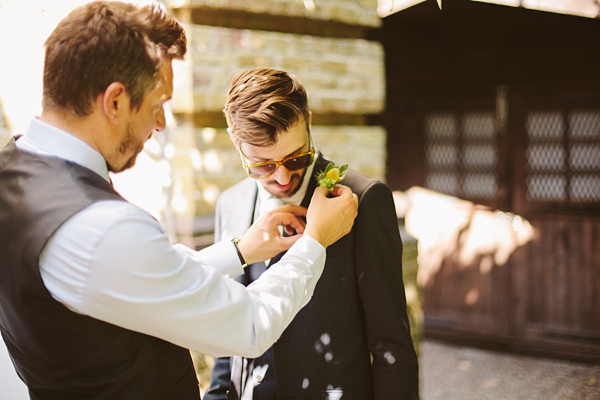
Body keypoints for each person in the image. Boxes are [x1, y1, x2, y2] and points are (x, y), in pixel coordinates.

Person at [0, 3, 359, 399]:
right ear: (115, 101)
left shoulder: (12, 175)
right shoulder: (103, 227)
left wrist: (241, 250)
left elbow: (132, 280)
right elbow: (251, 325)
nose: (161, 124)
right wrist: (314, 241)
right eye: (158, 105)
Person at [205, 68, 419, 400]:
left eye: (296, 157)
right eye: (262, 165)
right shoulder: (229, 204)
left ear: (308, 124)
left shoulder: (364, 198)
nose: (282, 177)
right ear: (239, 148)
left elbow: (392, 345)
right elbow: (226, 326)